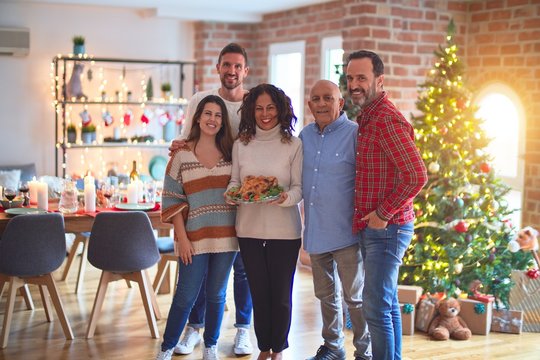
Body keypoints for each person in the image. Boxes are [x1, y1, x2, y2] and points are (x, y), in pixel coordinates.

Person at [170, 43, 254, 356]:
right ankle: (195, 326)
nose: (231, 71)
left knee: (243, 270)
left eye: (238, 66)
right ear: (218, 67)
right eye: (226, 65)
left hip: (243, 202)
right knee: (202, 270)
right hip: (204, 199)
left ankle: (243, 329)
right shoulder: (201, 101)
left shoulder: (252, 104)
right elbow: (186, 141)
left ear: (245, 71)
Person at [346, 50, 428, 360]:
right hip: (379, 228)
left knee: (375, 306)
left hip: (388, 228)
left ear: (379, 81)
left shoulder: (386, 120)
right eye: (351, 77)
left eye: (362, 78)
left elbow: (417, 175)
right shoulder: (368, 115)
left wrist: (382, 214)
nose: (354, 84)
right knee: (387, 301)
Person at [156, 95, 238, 360]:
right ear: (198, 118)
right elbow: (172, 199)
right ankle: (166, 349)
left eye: (218, 115)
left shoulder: (232, 153)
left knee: (217, 294)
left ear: (223, 121)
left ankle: (210, 346)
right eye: (208, 114)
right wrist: (182, 238)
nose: (212, 119)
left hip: (227, 238)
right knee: (186, 294)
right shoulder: (181, 155)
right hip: (193, 238)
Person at [228, 83, 303, 360]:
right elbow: (236, 181)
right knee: (259, 293)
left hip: (285, 231)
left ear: (280, 109)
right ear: (251, 111)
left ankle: (279, 349)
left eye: (270, 107)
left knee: (281, 295)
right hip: (248, 228)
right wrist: (232, 194)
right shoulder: (241, 145)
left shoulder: (293, 145)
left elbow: (299, 188)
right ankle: (263, 348)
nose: (265, 113)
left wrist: (284, 197)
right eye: (259, 108)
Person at [300, 80, 371, 360]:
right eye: (315, 99)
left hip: (347, 234)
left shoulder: (354, 133)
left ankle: (365, 352)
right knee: (325, 295)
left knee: (354, 298)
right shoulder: (304, 136)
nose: (321, 104)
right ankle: (333, 347)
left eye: (327, 98)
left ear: (340, 103)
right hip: (316, 232)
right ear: (309, 105)